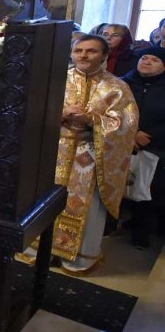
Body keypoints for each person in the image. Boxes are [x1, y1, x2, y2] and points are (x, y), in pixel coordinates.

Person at [29, 35, 138, 273]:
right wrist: (61, 112)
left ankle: (78, 256)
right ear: (71, 54)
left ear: (104, 56)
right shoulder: (54, 81)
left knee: (86, 207)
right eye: (79, 50)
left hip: (92, 154)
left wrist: (92, 119)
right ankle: (38, 250)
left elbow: (126, 125)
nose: (84, 55)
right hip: (54, 150)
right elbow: (33, 110)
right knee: (43, 199)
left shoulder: (117, 87)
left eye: (91, 51)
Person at [125, 48, 165, 247]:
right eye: (144, 57)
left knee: (148, 188)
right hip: (122, 140)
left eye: (155, 60)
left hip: (156, 146)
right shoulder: (124, 83)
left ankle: (141, 232)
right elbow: (113, 110)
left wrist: (149, 135)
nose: (147, 62)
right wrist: (132, 132)